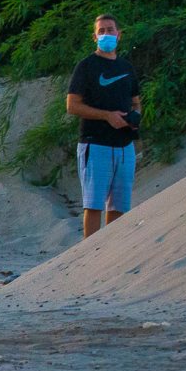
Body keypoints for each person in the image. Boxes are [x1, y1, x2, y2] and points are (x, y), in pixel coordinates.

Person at [66, 14, 142, 239]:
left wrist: (135, 116)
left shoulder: (126, 67)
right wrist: (106, 116)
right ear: (94, 37)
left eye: (110, 30)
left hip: (124, 146)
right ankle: (90, 253)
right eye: (102, 31)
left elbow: (136, 101)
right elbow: (72, 105)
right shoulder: (87, 66)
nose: (106, 34)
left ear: (119, 35)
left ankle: (112, 251)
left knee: (119, 206)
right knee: (94, 205)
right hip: (95, 143)